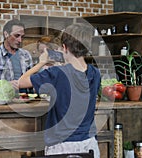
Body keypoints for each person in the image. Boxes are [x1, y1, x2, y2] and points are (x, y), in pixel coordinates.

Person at [18, 23, 101, 158]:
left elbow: (21, 82)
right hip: (89, 145)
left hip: (62, 147)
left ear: (64, 48)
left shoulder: (57, 73)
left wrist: (41, 62)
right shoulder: (96, 73)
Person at [0, 19, 33, 95]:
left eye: (22, 37)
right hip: (4, 102)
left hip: (25, 100)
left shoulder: (26, 55)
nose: (20, 40)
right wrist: (6, 85)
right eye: (16, 36)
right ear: (6, 34)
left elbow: (31, 79)